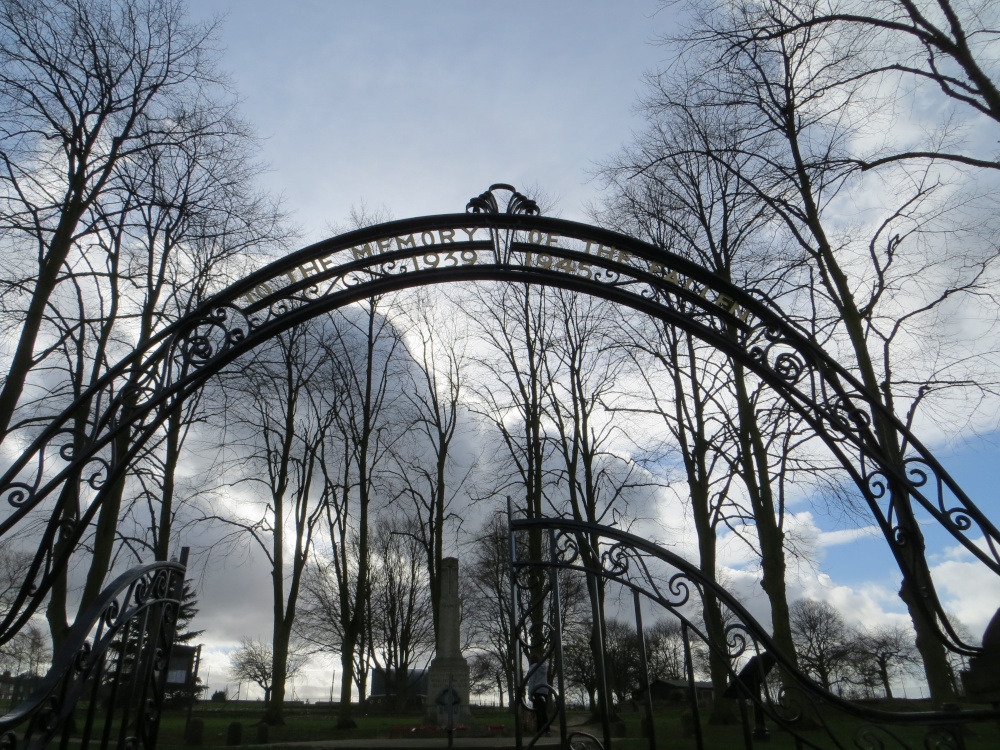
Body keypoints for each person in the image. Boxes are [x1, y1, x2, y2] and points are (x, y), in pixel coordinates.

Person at [526, 650, 550, 734]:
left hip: (537, 690)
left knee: (538, 711)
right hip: (544, 690)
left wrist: (529, 694)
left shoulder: (533, 668)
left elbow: (531, 681)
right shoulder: (545, 667)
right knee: (543, 711)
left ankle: (540, 730)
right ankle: (547, 730)